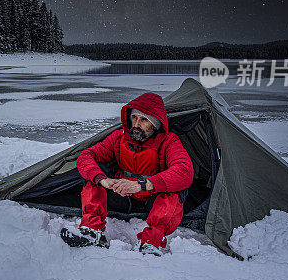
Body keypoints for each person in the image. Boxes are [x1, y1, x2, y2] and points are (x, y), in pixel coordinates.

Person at [60, 92, 194, 255]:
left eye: (144, 120)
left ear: (156, 124)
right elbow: (86, 156)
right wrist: (103, 180)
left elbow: (184, 171)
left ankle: (151, 241)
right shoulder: (119, 138)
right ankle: (91, 231)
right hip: (121, 195)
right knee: (93, 175)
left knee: (175, 190)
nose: (136, 124)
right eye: (134, 117)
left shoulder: (169, 142)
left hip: (152, 202)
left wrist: (142, 185)